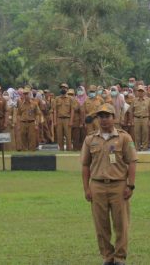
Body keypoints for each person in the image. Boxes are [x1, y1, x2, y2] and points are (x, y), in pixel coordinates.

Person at [80, 103, 137, 265]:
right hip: (97, 186)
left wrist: (130, 185)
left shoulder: (124, 138)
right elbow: (85, 165)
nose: (104, 120)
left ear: (114, 118)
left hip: (118, 186)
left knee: (121, 224)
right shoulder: (90, 139)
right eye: (101, 117)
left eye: (107, 116)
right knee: (101, 225)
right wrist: (86, 188)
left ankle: (120, 257)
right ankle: (107, 256)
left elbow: (132, 162)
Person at [53, 83, 76, 151]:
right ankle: (61, 150)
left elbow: (72, 110)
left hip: (67, 119)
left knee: (68, 136)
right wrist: (55, 121)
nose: (63, 89)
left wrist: (71, 121)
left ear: (67, 89)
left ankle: (69, 150)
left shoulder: (70, 99)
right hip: (59, 119)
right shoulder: (57, 99)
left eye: (64, 88)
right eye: (62, 88)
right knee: (59, 137)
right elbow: (55, 111)